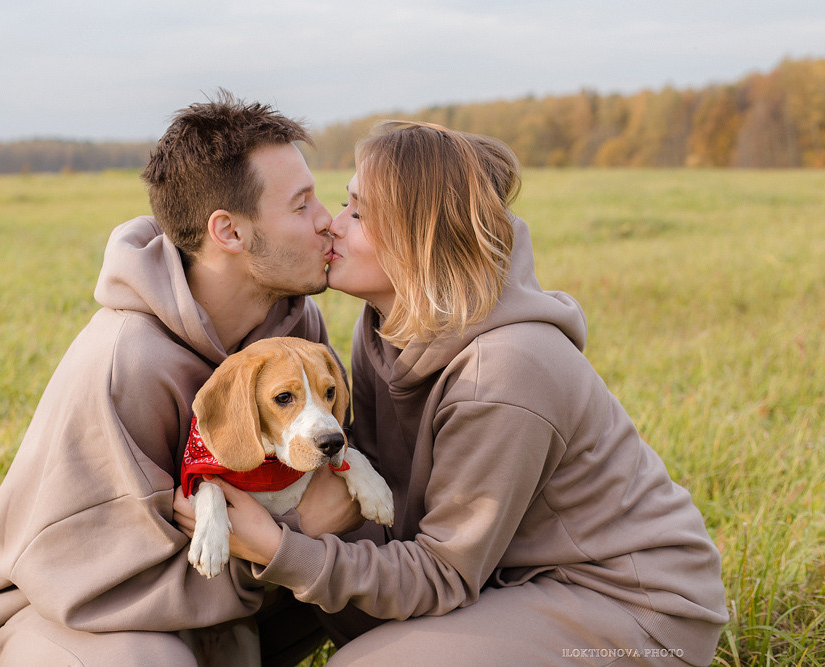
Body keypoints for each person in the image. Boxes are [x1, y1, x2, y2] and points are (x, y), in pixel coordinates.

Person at [174, 121, 729, 665]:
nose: (332, 225)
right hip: (505, 585)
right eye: (346, 204)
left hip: (627, 609)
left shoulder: (505, 373)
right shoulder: (383, 330)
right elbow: (386, 507)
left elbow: (444, 572)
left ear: (420, 240)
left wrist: (280, 549)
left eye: (358, 213)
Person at [0, 91, 357, 666]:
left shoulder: (296, 328)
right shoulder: (124, 361)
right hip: (55, 607)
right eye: (301, 206)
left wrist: (291, 546)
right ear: (228, 232)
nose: (327, 220)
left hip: (209, 598)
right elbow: (91, 581)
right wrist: (293, 536)